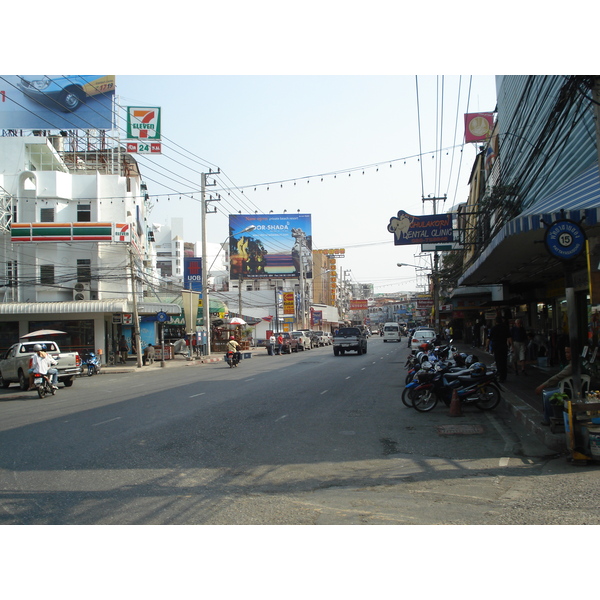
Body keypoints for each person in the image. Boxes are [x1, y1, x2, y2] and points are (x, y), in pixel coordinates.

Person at [535, 346, 573, 426]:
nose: (566, 354)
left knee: (548, 395)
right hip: (569, 389)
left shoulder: (572, 366)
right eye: (566, 352)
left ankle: (547, 419)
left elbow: (557, 377)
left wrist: (542, 386)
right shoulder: (575, 363)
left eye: (568, 352)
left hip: (569, 391)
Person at [489, 316, 510, 382]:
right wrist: (511, 345)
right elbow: (509, 337)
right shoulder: (505, 328)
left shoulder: (493, 328)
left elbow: (489, 338)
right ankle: (504, 376)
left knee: (498, 361)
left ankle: (500, 375)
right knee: (504, 361)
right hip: (504, 346)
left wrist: (487, 346)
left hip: (496, 346)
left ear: (496, 321)